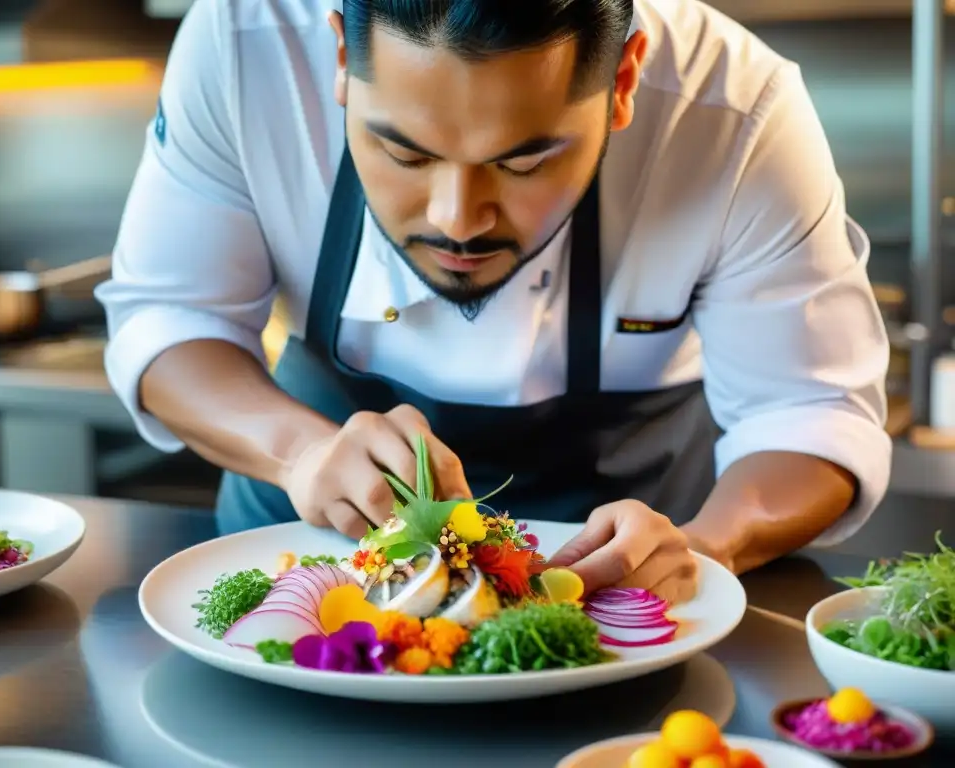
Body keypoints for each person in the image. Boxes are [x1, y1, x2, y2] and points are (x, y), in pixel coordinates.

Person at [96, 0, 892, 604]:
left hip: (624, 606)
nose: (457, 219)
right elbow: (171, 319)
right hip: (301, 579)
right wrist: (297, 452)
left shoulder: (733, 111)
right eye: (402, 150)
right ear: (341, 55)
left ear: (623, 81)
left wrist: (708, 547)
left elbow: (809, 408)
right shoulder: (244, 46)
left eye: (524, 161)